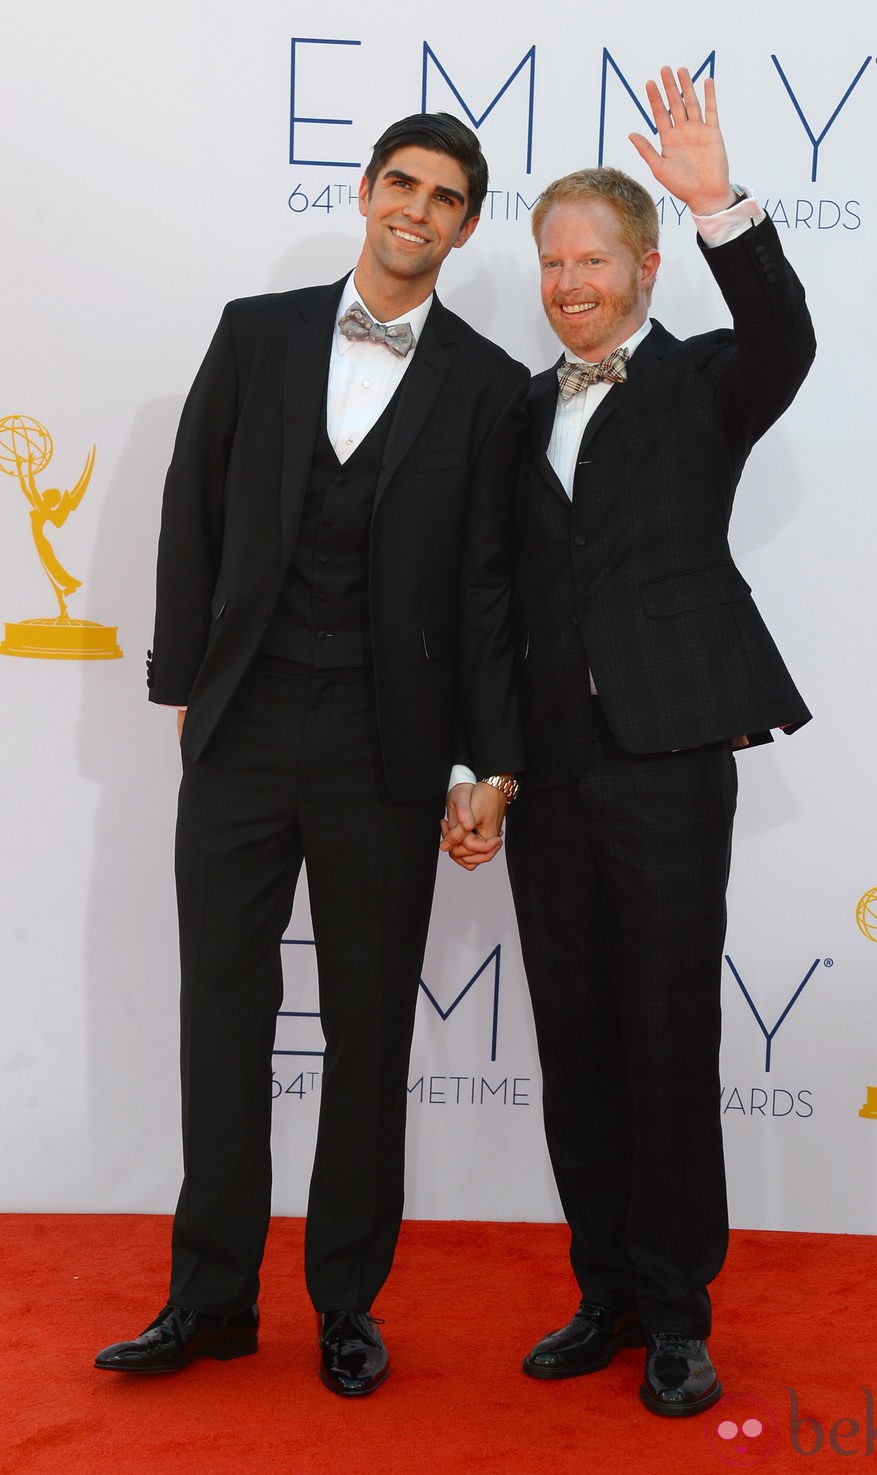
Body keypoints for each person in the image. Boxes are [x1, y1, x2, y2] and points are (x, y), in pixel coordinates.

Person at [94, 112, 526, 1395]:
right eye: (402, 183)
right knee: (220, 1015)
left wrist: (479, 761)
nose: (417, 209)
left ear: (464, 224)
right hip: (242, 727)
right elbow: (192, 503)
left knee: (366, 1033)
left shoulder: (491, 385)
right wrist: (185, 685)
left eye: (446, 197)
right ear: (365, 190)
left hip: (384, 748)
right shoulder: (253, 330)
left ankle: (345, 1301)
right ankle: (210, 1298)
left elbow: (486, 593)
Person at [502, 67, 814, 1416]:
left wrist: (721, 208)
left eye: (594, 259)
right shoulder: (517, 407)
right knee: (576, 1037)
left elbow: (788, 339)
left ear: (641, 262)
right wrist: (485, 757)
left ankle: (682, 1312)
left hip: (671, 751)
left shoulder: (705, 380)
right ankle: (607, 1292)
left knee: (670, 1033)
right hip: (551, 764)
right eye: (552, 262)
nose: (571, 282)